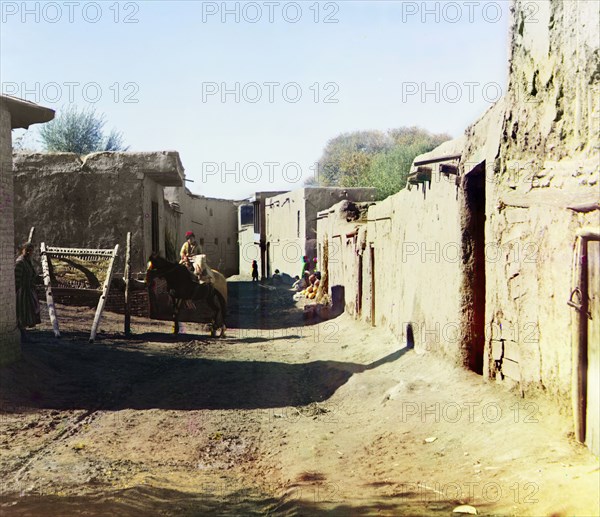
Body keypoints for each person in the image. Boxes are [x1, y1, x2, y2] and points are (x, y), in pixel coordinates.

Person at [15, 242, 41, 342]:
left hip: (29, 290)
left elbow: (32, 274)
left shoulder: (28, 261)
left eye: (31, 250)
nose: (29, 252)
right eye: (27, 250)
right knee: (22, 312)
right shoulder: (20, 262)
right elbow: (17, 278)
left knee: (29, 311)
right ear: (23, 250)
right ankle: (22, 335)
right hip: (22, 292)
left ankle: (24, 334)